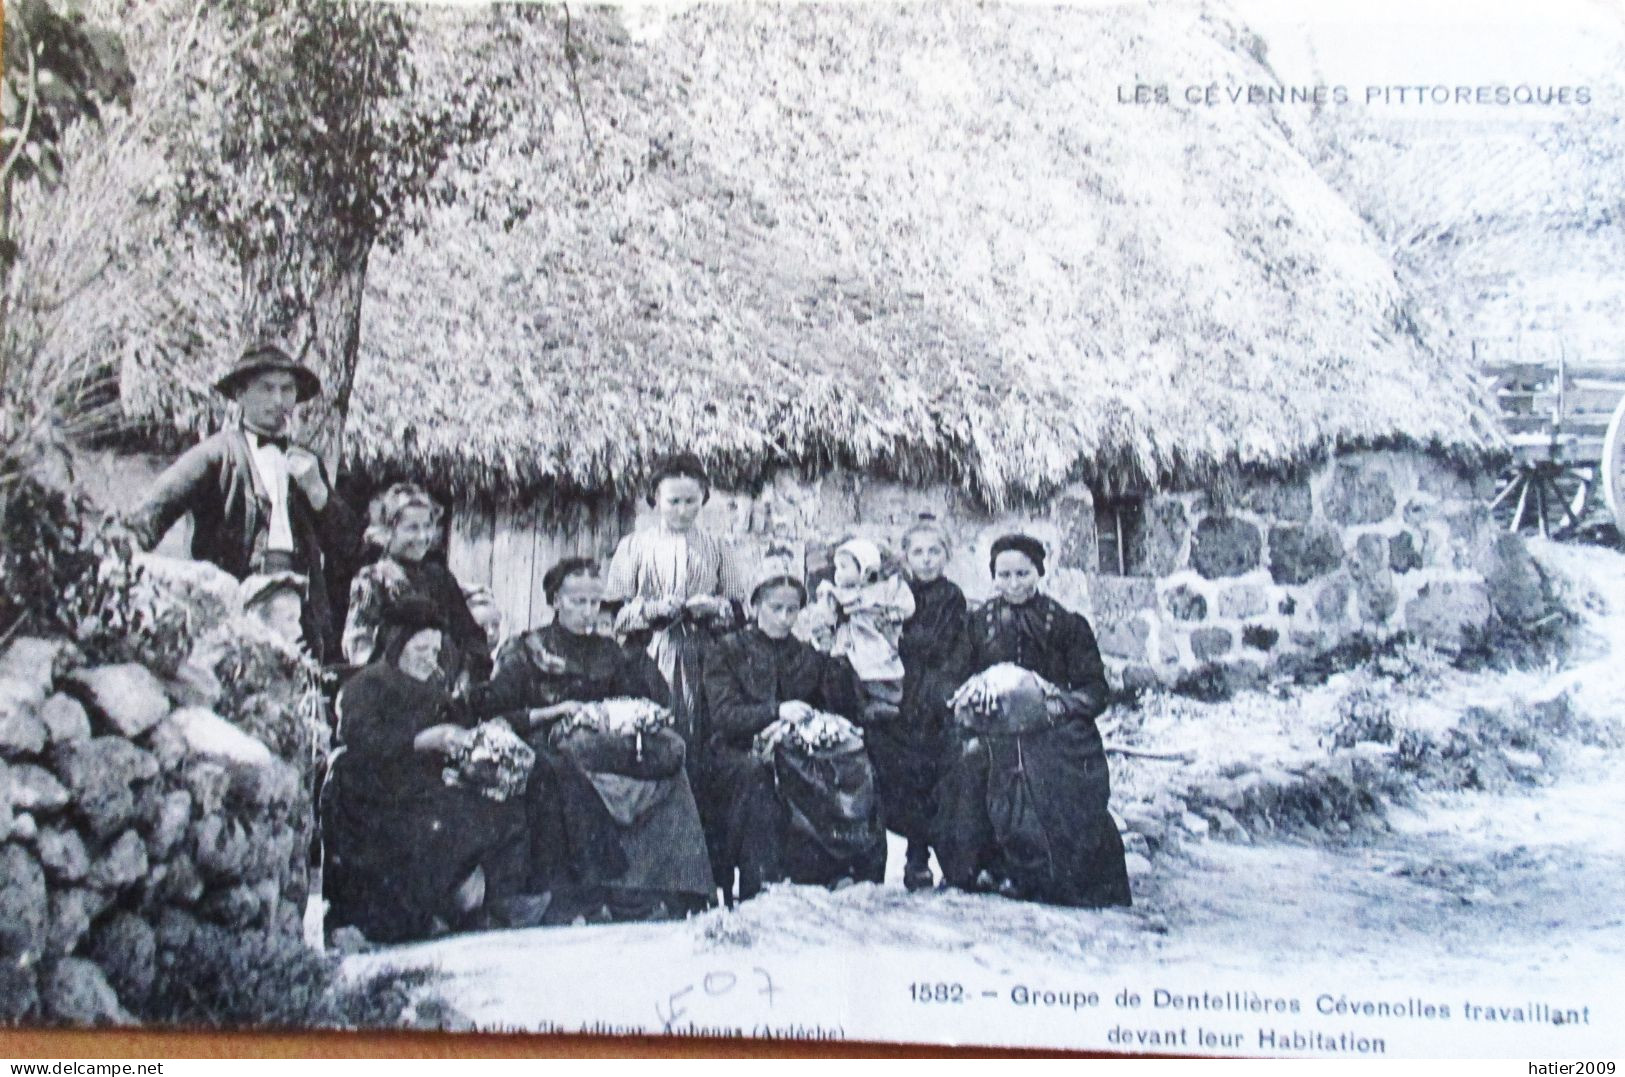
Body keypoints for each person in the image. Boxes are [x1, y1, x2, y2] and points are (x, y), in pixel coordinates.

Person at [495, 557, 713, 922]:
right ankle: (607, 893)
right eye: (577, 601)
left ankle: (675, 889)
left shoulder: (611, 652)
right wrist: (552, 715)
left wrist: (632, 718)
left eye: (594, 603)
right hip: (554, 747)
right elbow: (500, 710)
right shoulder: (526, 649)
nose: (588, 612)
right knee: (569, 766)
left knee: (673, 761)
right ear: (554, 600)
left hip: (609, 746)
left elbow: (645, 701)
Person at [124, 344, 360, 662]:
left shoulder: (307, 463)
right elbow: (151, 513)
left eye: (287, 389)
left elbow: (348, 547)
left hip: (299, 616)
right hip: (235, 608)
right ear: (240, 394)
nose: (278, 400)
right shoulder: (215, 455)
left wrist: (318, 493)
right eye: (266, 389)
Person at [932, 533, 1131, 909]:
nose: (1013, 584)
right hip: (992, 723)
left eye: (1022, 574)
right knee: (965, 760)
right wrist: (970, 692)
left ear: (1039, 572)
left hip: (1050, 725)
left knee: (1048, 768)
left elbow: (1094, 689)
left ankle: (1047, 877)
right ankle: (978, 870)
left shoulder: (1067, 624)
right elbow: (950, 678)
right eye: (1004, 575)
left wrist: (1059, 705)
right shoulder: (975, 624)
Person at [321, 598, 527, 943]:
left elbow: (457, 722)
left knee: (497, 810)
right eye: (420, 648)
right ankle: (416, 915)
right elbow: (358, 739)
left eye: (435, 649)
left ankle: (464, 904)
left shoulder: (433, 684)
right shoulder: (366, 684)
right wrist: (422, 740)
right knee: (441, 819)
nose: (429, 657)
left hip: (417, 783)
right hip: (369, 789)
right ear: (396, 644)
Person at [702, 572, 883, 901]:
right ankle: (761, 886)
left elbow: (834, 709)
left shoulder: (806, 655)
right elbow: (724, 715)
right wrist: (775, 712)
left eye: (792, 610)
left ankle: (839, 872)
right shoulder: (727, 649)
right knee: (757, 774)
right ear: (755, 605)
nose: (785, 618)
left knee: (849, 763)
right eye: (776, 608)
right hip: (735, 750)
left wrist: (834, 660)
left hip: (794, 749)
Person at [603, 452, 749, 774]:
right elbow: (613, 613)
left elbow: (740, 609)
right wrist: (651, 609)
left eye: (691, 501)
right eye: (673, 501)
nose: (682, 510)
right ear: (656, 498)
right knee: (654, 732)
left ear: (703, 499)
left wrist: (715, 607)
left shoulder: (717, 546)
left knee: (703, 738)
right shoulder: (634, 546)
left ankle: (699, 818)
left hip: (704, 656)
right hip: (649, 655)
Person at [866, 519, 968, 892]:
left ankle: (930, 856)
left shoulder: (952, 596)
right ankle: (907, 855)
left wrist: (899, 635)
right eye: (918, 553)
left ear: (946, 555)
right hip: (898, 688)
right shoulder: (896, 591)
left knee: (933, 773)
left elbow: (941, 644)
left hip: (932, 693)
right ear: (906, 556)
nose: (926, 561)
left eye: (934, 552)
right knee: (899, 776)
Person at [342, 483, 491, 686]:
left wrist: (465, 676)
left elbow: (472, 638)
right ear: (389, 530)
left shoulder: (440, 578)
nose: (422, 537)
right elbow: (358, 645)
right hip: (396, 696)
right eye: (412, 528)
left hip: (443, 697)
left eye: (427, 526)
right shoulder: (373, 580)